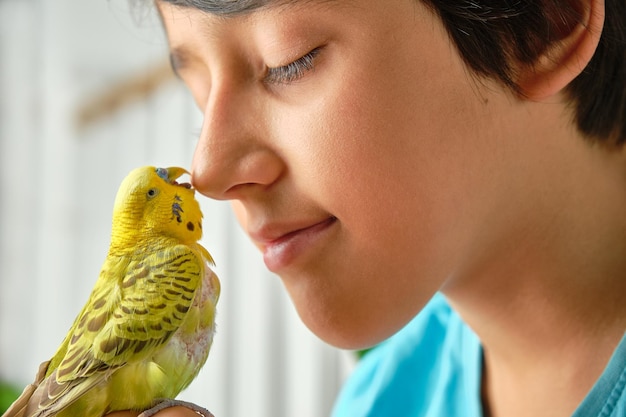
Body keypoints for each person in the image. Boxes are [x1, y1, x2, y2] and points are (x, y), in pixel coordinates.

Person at [112, 0, 626, 415]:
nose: (208, 173)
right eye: (199, 93)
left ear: (540, 21)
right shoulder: (379, 401)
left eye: (290, 60)